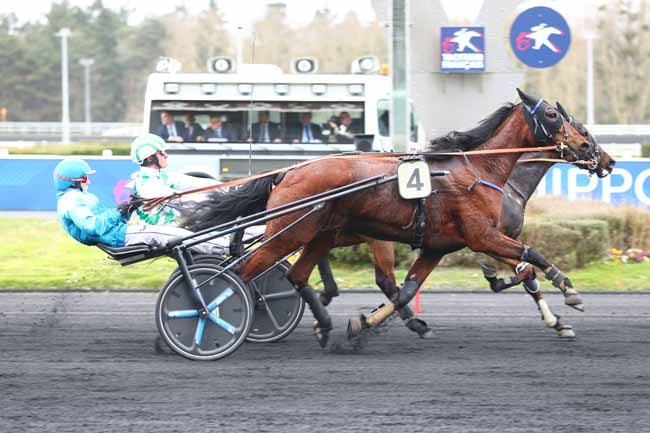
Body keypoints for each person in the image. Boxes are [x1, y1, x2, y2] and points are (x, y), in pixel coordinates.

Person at [53, 158, 227, 254]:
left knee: (177, 234)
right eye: (85, 178)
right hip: (117, 237)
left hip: (117, 233)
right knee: (176, 235)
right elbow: (93, 227)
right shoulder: (71, 201)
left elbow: (104, 221)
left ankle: (218, 244)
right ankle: (224, 247)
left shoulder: (77, 197)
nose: (88, 181)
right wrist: (118, 211)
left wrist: (129, 209)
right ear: (72, 181)